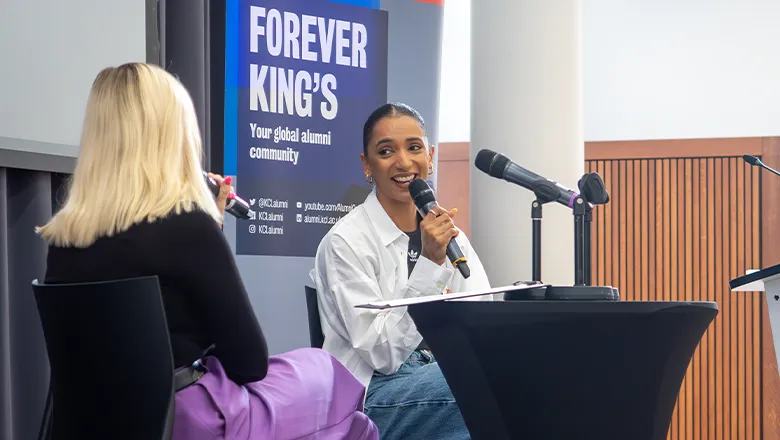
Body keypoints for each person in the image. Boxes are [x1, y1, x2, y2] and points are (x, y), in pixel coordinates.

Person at [37, 62, 378, 440]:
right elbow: (249, 363)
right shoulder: (186, 228)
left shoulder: (63, 241)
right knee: (336, 388)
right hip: (184, 419)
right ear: (172, 135)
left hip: (93, 423)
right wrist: (207, 228)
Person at [311, 103, 492, 440]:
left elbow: (482, 312)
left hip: (440, 369)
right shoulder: (346, 242)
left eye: (414, 148)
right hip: (370, 393)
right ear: (367, 165)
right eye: (385, 151)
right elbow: (383, 355)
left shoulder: (450, 235)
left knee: (511, 382)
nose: (404, 162)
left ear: (431, 156)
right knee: (479, 392)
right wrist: (430, 264)